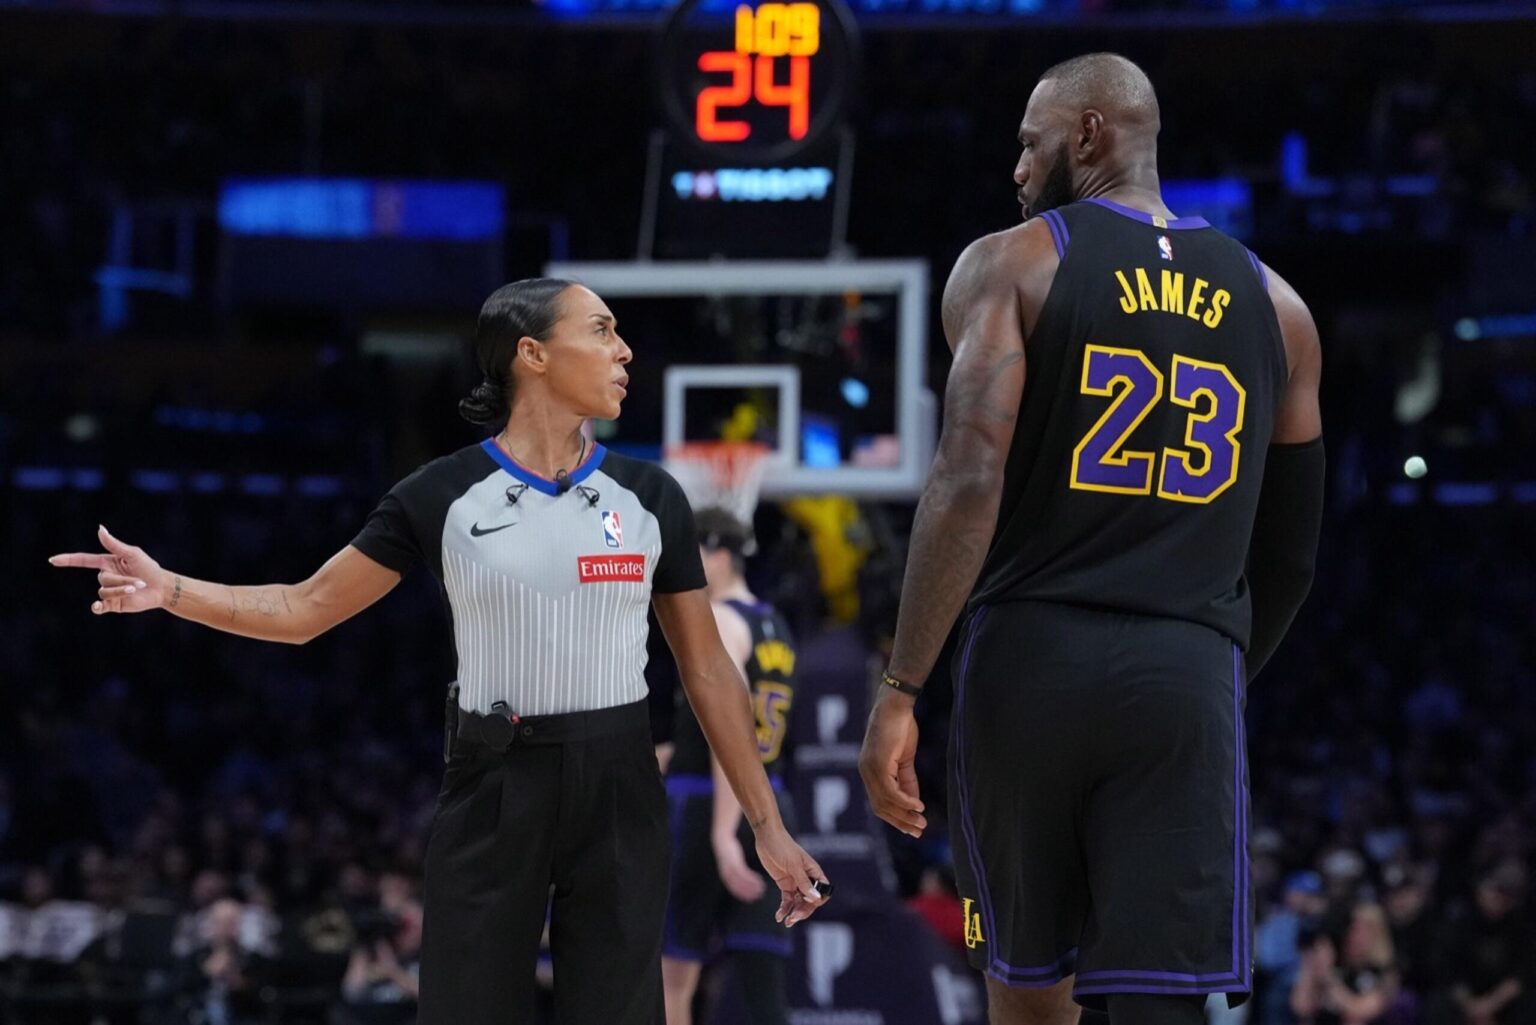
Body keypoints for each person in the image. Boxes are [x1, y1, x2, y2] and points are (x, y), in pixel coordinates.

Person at [51, 278, 829, 1025]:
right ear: (532, 354)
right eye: (601, 330)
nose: (625, 350)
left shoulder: (652, 496)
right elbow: (301, 609)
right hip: (496, 777)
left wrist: (767, 824)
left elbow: (706, 669)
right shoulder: (440, 494)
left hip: (621, 779)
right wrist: (171, 588)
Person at [858, 53, 1325, 1025]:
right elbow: (1290, 554)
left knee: (1029, 993)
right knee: (1164, 1002)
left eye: (1029, 146)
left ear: (1087, 135)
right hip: (1186, 666)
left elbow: (968, 474)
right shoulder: (1281, 307)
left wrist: (902, 683)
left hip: (1029, 658)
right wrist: (1214, 671)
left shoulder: (1014, 262)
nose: (1017, 171)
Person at [661, 508, 799, 1025]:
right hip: (771, 801)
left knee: (674, 975)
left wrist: (722, 833)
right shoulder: (775, 626)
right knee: (764, 984)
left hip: (709, 807)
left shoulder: (717, 617)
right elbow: (760, 733)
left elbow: (730, 732)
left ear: (717, 554)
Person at [1290, 904, 1402, 1025]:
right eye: (1354, 927)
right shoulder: (1335, 962)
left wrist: (1328, 979)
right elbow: (1301, 1007)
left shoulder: (1385, 972)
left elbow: (1359, 1009)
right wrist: (1311, 965)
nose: (1358, 935)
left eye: (1366, 929)